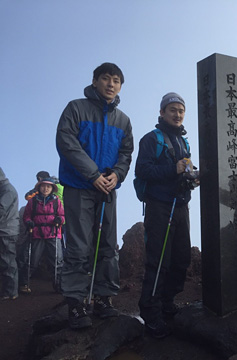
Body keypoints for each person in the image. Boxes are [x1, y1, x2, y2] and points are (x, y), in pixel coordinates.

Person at [56, 62, 133, 329]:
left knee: (108, 246)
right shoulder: (76, 108)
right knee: (78, 245)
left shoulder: (123, 120)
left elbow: (126, 153)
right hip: (79, 186)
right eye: (105, 78)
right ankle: (76, 303)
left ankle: (103, 297)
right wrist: (93, 174)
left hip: (108, 190)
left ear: (120, 86)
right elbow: (66, 142)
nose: (111, 84)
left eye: (116, 80)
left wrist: (117, 175)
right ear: (95, 81)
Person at [135, 92, 198, 339]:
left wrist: (193, 178)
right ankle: (150, 312)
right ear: (162, 112)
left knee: (181, 258)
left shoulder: (184, 142)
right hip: (159, 206)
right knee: (159, 259)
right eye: (172, 109)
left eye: (181, 110)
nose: (177, 114)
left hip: (181, 205)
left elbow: (184, 173)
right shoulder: (151, 139)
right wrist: (174, 168)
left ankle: (166, 302)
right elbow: (142, 170)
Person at [19, 178, 64, 293]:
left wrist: (60, 219)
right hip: (37, 233)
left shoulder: (56, 201)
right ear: (39, 187)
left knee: (57, 261)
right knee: (32, 260)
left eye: (48, 187)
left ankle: (59, 286)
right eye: (43, 186)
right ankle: (24, 284)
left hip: (53, 233)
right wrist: (28, 222)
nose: (46, 188)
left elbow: (62, 215)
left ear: (52, 189)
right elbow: (27, 216)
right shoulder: (33, 201)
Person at [0, 167, 19, 300]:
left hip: (6, 231)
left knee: (7, 261)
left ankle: (10, 292)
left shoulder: (7, 190)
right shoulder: (5, 189)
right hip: (5, 230)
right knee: (5, 261)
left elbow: (1, 209)